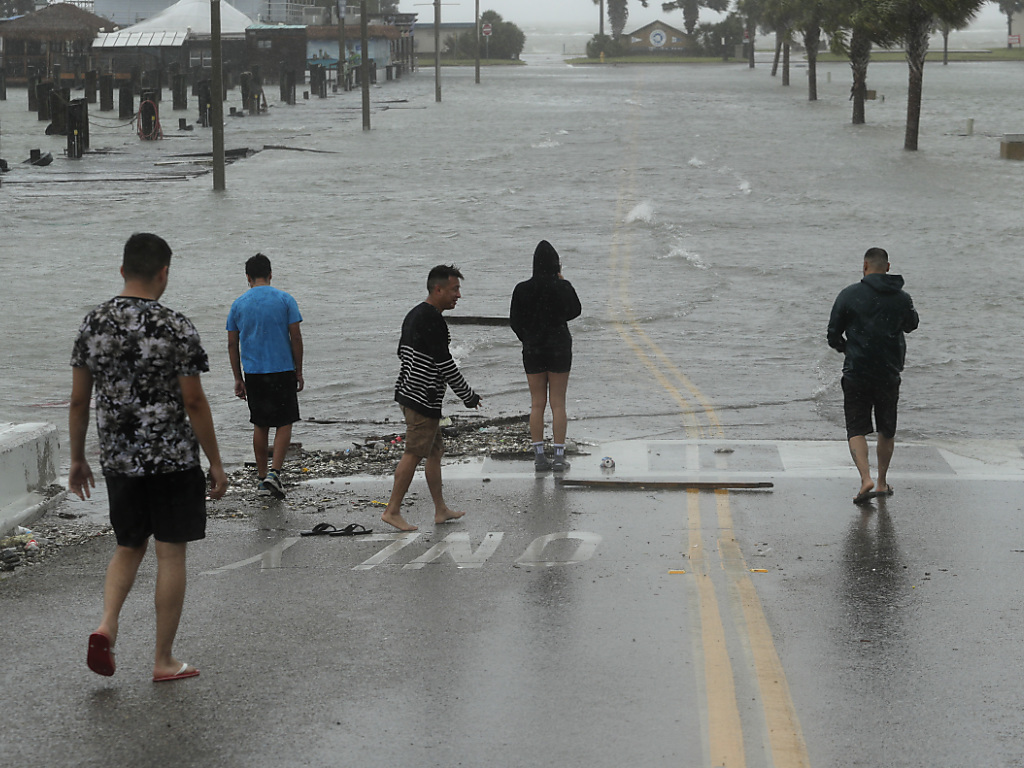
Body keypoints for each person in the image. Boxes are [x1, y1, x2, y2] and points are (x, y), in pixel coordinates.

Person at [68, 233, 228, 683]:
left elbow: (79, 402)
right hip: (173, 458)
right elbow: (194, 401)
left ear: (122, 270)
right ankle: (163, 659)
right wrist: (216, 462)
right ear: (164, 272)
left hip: (119, 459)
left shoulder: (92, 325)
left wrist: (78, 458)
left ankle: (107, 624)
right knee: (170, 554)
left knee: (128, 544)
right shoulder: (177, 326)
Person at [382, 265, 482, 532]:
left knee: (435, 451)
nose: (458, 295)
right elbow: (445, 364)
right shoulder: (432, 320)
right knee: (414, 453)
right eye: (454, 289)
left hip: (412, 392)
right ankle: (392, 510)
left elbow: (402, 352)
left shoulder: (415, 314)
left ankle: (440, 509)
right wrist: (468, 396)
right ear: (437, 289)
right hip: (421, 399)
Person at [827, 247, 919, 504]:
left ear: (864, 267)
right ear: (887, 267)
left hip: (856, 371)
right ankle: (881, 482)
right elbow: (912, 325)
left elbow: (833, 334)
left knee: (856, 427)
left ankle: (865, 478)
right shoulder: (903, 298)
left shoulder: (848, 295)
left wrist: (849, 350)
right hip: (888, 373)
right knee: (886, 429)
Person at [226, 253, 304, 500]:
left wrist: (238, 377)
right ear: (270, 274)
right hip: (282, 369)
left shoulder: (238, 304)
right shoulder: (285, 299)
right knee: (284, 421)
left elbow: (231, 344)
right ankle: (275, 473)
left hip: (254, 372)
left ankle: (261, 479)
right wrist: (298, 370)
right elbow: (296, 337)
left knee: (260, 424)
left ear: (247, 277)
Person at [509, 240, 582, 472]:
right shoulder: (562, 286)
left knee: (537, 403)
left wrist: (528, 338)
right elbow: (575, 310)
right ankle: (559, 456)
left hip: (533, 348)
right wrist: (562, 283)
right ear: (555, 264)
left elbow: (515, 321)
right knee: (558, 402)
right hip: (559, 345)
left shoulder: (522, 289)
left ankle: (539, 456)